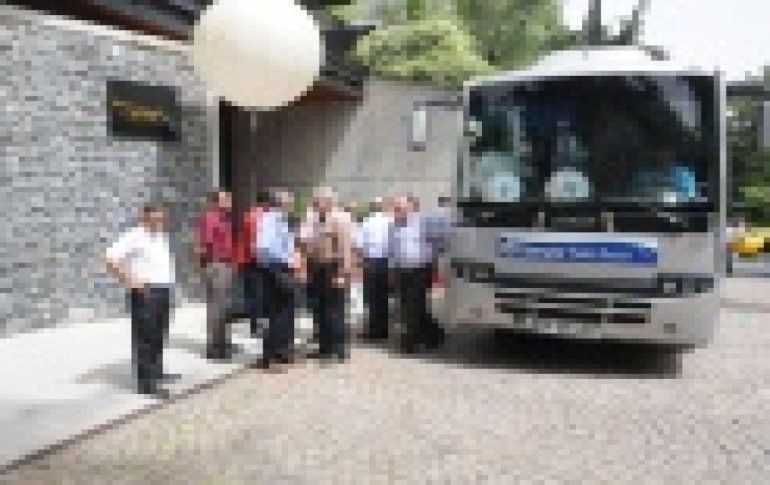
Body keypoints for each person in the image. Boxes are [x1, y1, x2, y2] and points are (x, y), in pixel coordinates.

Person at [104, 203, 175, 397]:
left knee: (159, 333)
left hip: (163, 289)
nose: (159, 222)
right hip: (146, 291)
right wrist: (129, 279)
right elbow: (110, 258)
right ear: (145, 217)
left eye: (161, 218)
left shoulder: (161, 236)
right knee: (146, 336)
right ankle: (146, 384)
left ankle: (157, 372)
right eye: (155, 218)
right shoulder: (134, 236)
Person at [299, 187, 356, 362]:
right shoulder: (315, 219)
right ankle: (324, 347)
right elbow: (308, 242)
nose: (315, 204)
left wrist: (342, 273)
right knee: (320, 309)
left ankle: (338, 349)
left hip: (334, 267)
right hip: (318, 267)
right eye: (315, 201)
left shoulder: (341, 218)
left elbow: (346, 248)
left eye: (318, 201)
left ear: (328, 201)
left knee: (335, 310)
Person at [255, 189, 301, 371]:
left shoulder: (283, 221)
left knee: (286, 311)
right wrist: (287, 259)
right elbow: (264, 247)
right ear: (281, 203)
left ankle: (283, 351)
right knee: (275, 313)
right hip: (274, 269)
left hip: (284, 267)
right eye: (289, 202)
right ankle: (270, 356)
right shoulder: (270, 220)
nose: (292, 205)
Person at [391, 195, 444, 353]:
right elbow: (393, 248)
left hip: (419, 270)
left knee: (414, 305)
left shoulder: (423, 223)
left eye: (400, 208)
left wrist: (435, 268)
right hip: (401, 269)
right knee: (406, 305)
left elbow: (436, 244)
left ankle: (410, 342)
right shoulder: (394, 226)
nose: (397, 211)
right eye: (396, 208)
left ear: (411, 207)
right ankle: (433, 332)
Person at [195, 190, 236, 361]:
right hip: (216, 264)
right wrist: (205, 266)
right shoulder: (210, 218)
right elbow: (204, 244)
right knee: (216, 307)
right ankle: (214, 347)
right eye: (226, 199)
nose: (230, 202)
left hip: (226, 264)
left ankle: (224, 342)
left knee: (225, 306)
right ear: (216, 202)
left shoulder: (225, 219)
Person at [357, 197, 394, 341]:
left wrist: (361, 262)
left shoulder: (366, 223)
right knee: (384, 296)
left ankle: (374, 329)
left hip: (371, 262)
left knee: (372, 297)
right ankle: (384, 329)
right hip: (386, 262)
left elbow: (360, 246)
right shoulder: (389, 223)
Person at [236, 191, 268, 337]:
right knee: (258, 294)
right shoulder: (259, 218)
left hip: (247, 260)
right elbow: (256, 242)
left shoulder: (249, 216)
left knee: (252, 293)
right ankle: (257, 325)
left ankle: (254, 325)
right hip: (255, 261)